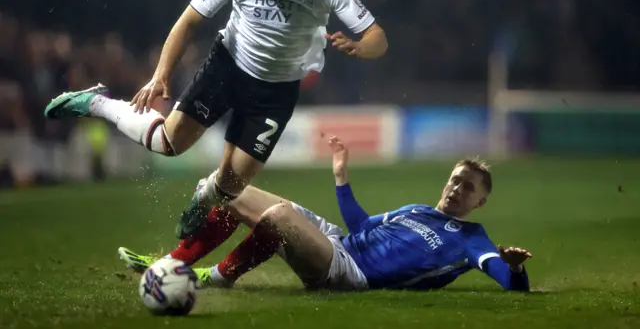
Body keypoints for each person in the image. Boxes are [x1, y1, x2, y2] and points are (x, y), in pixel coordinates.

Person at [43, 0, 388, 239]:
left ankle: (204, 196)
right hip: (228, 66)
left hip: (277, 90)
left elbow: (377, 38)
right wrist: (160, 76)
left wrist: (359, 47)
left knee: (231, 185)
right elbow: (188, 22)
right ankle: (96, 103)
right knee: (169, 143)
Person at [119, 136, 532, 292]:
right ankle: (170, 266)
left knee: (279, 217)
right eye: (456, 180)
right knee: (225, 185)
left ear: (479, 202)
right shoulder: (417, 211)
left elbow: (502, 276)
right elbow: (361, 225)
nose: (457, 188)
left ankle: (218, 277)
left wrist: (513, 270)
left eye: (468, 187)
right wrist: (341, 177)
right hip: (336, 238)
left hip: (350, 271)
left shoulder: (471, 236)